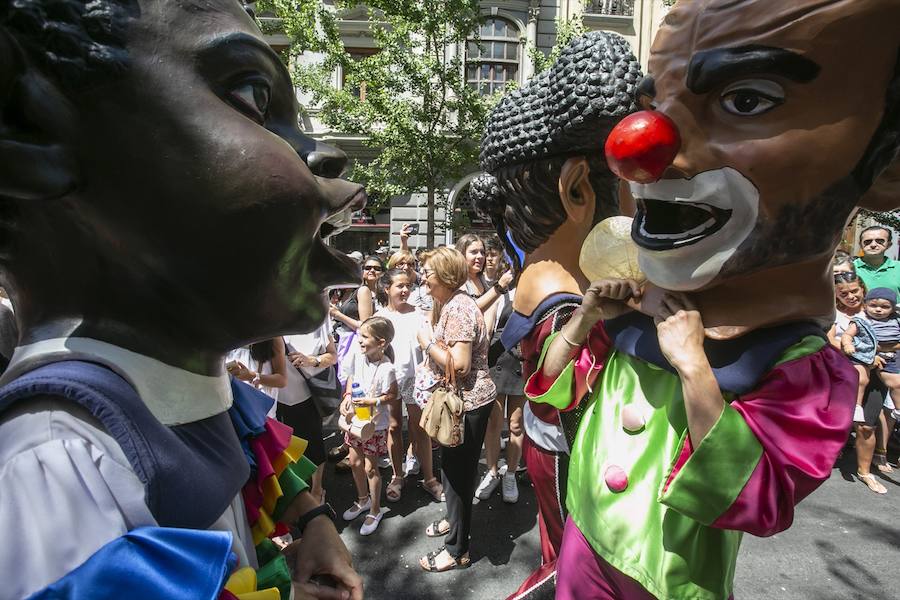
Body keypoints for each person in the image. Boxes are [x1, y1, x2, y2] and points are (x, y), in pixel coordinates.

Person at [525, 0, 900, 596]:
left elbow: (754, 497)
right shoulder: (632, 315)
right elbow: (547, 394)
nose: (634, 150)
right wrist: (588, 314)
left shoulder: (798, 366)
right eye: (650, 109)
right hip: (582, 548)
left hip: (670, 582)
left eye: (746, 100)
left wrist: (696, 369)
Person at [0, 1, 366, 597]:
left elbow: (254, 459)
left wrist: (315, 519)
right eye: (252, 96)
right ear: (32, 131)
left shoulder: (178, 394)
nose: (325, 158)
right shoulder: (55, 468)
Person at [470, 30, 642, 599]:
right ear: (577, 191)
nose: (644, 202)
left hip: (553, 453)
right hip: (577, 465)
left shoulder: (542, 276)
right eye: (634, 183)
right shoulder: (570, 295)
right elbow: (557, 389)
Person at [416, 247, 496, 572]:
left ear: (446, 276)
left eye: (429, 272)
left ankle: (457, 550)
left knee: (459, 477)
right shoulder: (453, 303)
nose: (423, 277)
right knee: (451, 470)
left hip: (469, 404)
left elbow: (460, 365)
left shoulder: (459, 308)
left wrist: (426, 342)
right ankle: (454, 521)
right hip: (462, 403)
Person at [374, 268, 442, 501]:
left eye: (408, 286)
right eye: (399, 286)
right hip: (390, 379)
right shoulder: (379, 318)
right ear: (387, 289)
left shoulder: (421, 314)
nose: (405, 290)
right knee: (393, 427)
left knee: (420, 427)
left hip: (416, 379)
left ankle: (430, 478)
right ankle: (397, 475)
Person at [476, 237, 526, 504]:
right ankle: (493, 471)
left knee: (516, 424)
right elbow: (485, 324)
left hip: (521, 360)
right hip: (496, 357)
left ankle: (511, 473)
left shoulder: (529, 287)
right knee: (494, 422)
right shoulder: (498, 288)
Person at [339, 317, 397, 536]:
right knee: (354, 461)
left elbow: (393, 394)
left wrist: (374, 402)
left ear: (381, 342)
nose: (360, 340)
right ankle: (362, 499)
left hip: (373, 425)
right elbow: (351, 378)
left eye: (364, 336)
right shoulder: (357, 356)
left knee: (370, 468)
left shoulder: (387, 368)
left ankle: (375, 509)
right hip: (355, 422)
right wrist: (346, 396)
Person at [828, 272, 886, 494]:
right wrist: (861, 355)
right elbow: (829, 339)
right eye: (844, 293)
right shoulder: (834, 314)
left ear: (862, 288)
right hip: (845, 374)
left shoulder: (877, 309)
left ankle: (865, 472)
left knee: (867, 426)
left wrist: (877, 355)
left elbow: (891, 337)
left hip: (875, 376)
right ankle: (829, 457)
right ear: (836, 295)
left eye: (854, 291)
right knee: (838, 421)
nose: (850, 296)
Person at [282, 322, 339, 504]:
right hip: (275, 396)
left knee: (312, 443)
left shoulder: (317, 324)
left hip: (307, 394)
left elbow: (333, 356)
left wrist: (312, 360)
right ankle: (297, 487)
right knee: (286, 446)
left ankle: (317, 489)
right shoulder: (271, 324)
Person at [226, 338, 288, 418]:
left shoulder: (272, 337)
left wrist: (253, 376)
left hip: (260, 415)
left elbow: (282, 380)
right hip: (232, 408)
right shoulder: (226, 334)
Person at [854, 227, 900, 297]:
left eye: (880, 241)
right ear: (860, 244)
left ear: (889, 245)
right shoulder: (849, 268)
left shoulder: (898, 268)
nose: (873, 245)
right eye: (868, 241)